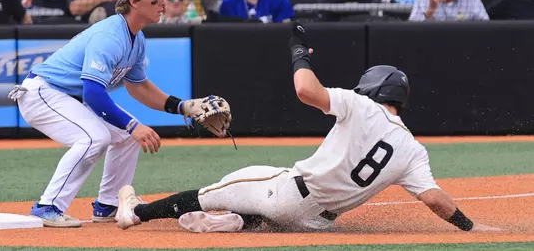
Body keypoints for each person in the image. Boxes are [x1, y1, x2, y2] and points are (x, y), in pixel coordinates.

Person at [114, 22, 502, 234]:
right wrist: (471, 226)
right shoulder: (414, 149)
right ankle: (233, 222)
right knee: (256, 207)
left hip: (289, 193)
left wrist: (297, 50)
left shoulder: (362, 104)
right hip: (318, 222)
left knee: (213, 190)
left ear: (375, 88)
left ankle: (137, 213)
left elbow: (305, 89)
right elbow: (435, 200)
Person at [7, 0, 230, 228]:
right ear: (134, 1)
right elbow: (93, 93)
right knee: (94, 137)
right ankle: (48, 206)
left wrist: (181, 106)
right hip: (43, 93)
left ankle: (108, 205)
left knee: (125, 137)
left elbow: (139, 88)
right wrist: (133, 126)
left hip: (67, 97)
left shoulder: (137, 38)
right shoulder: (110, 37)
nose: (162, 2)